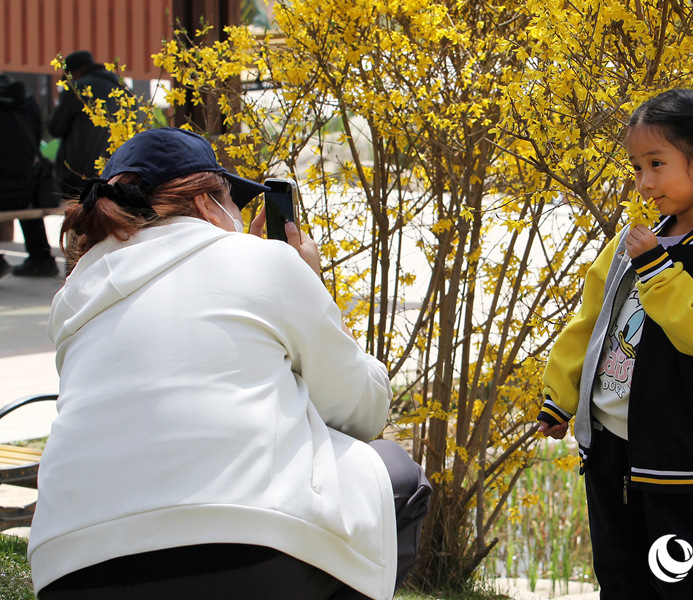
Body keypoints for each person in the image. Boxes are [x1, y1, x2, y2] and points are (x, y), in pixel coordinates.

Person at [28, 127, 431, 600]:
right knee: (398, 475)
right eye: (234, 201)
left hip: (67, 569)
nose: (240, 216)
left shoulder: (75, 295)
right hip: (244, 553)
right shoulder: (263, 260)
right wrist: (310, 286)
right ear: (205, 204)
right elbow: (362, 411)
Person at [537, 89, 693, 599]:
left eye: (656, 164)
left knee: (683, 580)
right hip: (606, 441)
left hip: (673, 450)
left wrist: (658, 269)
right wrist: (562, 397)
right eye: (637, 167)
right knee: (618, 576)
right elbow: (592, 321)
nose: (643, 183)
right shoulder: (636, 240)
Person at [0, 74, 57, 279]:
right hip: (26, 185)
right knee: (30, 202)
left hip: (3, 189)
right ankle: (42, 260)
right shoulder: (27, 99)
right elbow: (39, 134)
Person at [47, 50, 123, 198]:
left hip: (78, 176)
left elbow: (55, 128)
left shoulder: (77, 88)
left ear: (74, 72)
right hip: (114, 174)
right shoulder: (123, 88)